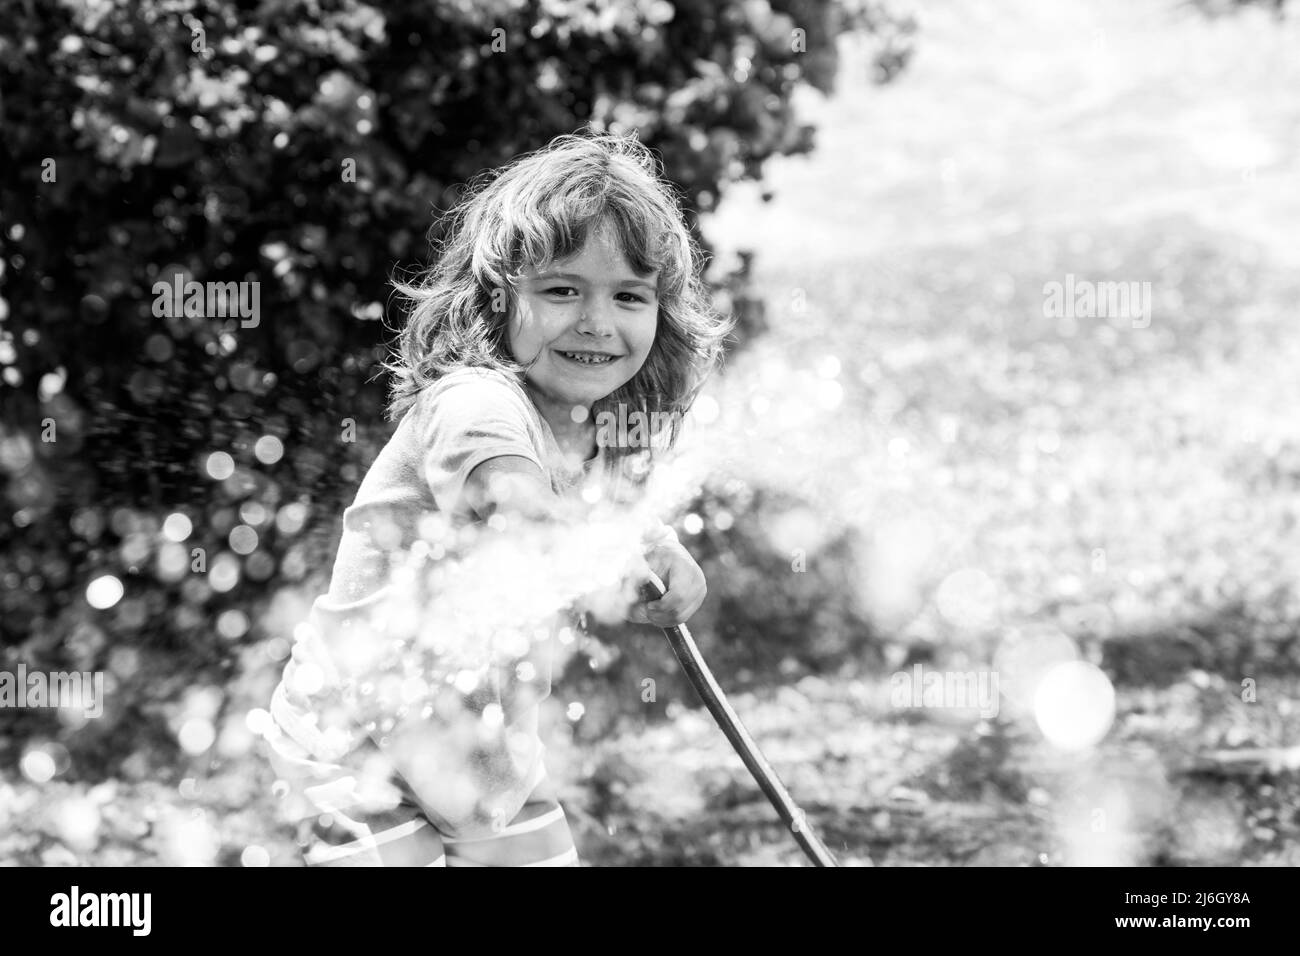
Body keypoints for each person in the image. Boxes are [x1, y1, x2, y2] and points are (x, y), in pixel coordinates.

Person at [261, 131, 732, 866]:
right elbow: (514, 500)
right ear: (497, 300)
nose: (597, 322)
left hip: (480, 761)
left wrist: (664, 557)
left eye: (628, 296)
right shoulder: (476, 404)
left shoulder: (601, 428)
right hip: (350, 748)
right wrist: (588, 553)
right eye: (561, 289)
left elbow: (616, 522)